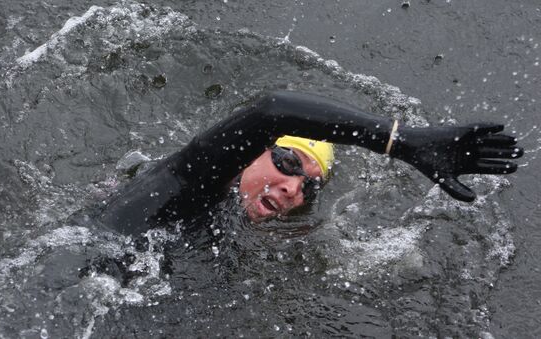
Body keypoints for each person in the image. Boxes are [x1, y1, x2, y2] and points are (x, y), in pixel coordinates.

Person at [96, 91, 523, 236]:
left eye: (309, 187)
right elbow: (272, 110)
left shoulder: (226, 231)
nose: (293, 188)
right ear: (253, 152)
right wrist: (400, 140)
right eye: (288, 162)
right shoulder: (178, 184)